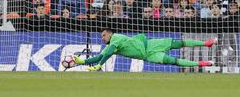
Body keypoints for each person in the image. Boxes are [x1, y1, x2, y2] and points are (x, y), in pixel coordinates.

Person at [73, 28, 217, 71]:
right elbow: (99, 57)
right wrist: (82, 61)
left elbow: (107, 55)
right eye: (101, 36)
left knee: (178, 43)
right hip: (148, 56)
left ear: (110, 33)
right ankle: (202, 64)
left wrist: (99, 65)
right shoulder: (110, 46)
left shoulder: (115, 38)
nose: (102, 38)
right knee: (173, 61)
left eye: (104, 35)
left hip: (151, 45)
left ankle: (206, 43)